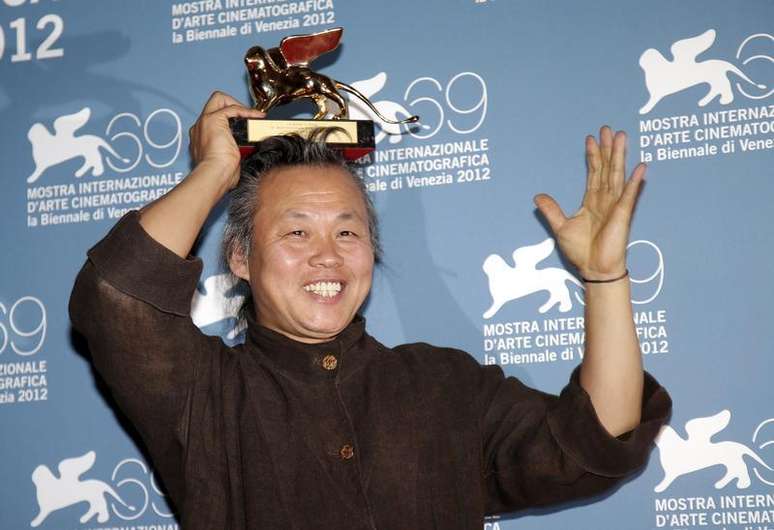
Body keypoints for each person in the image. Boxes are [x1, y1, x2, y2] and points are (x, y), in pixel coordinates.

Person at [69, 91, 671, 530]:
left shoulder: (444, 385)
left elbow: (593, 445)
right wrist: (215, 170)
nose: (327, 256)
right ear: (242, 259)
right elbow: (117, 293)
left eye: (348, 232)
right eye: (296, 232)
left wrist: (603, 277)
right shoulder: (203, 393)